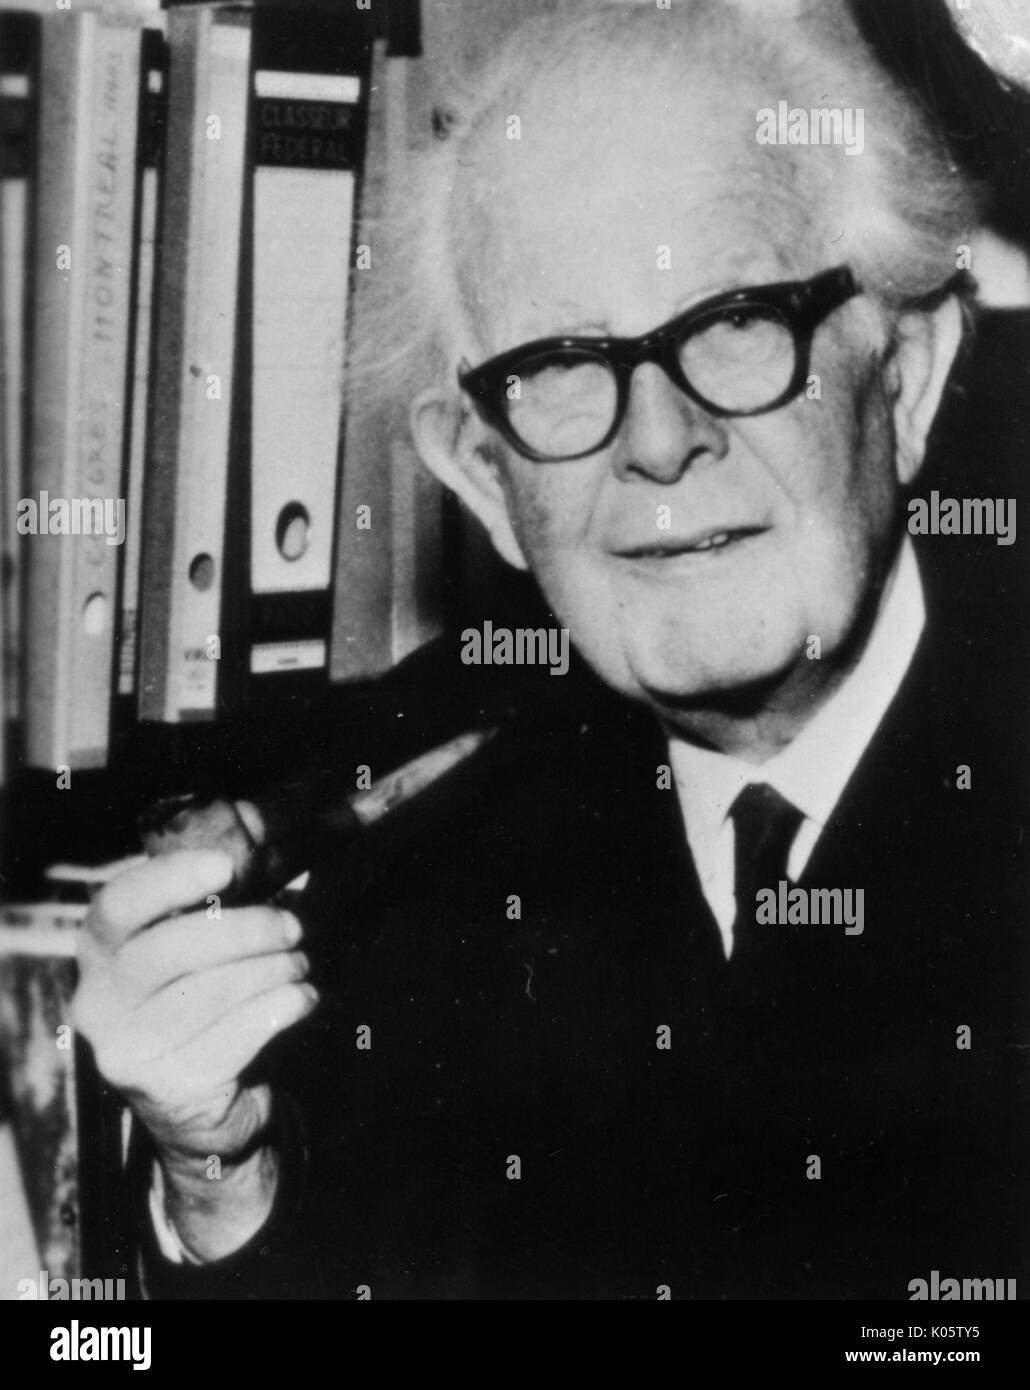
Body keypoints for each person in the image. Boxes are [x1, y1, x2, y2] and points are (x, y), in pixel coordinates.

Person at [73, 0, 1028, 1299]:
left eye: (738, 319)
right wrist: (221, 1172)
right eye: (565, 365)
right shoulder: (404, 891)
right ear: (481, 479)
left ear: (905, 377)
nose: (656, 437)